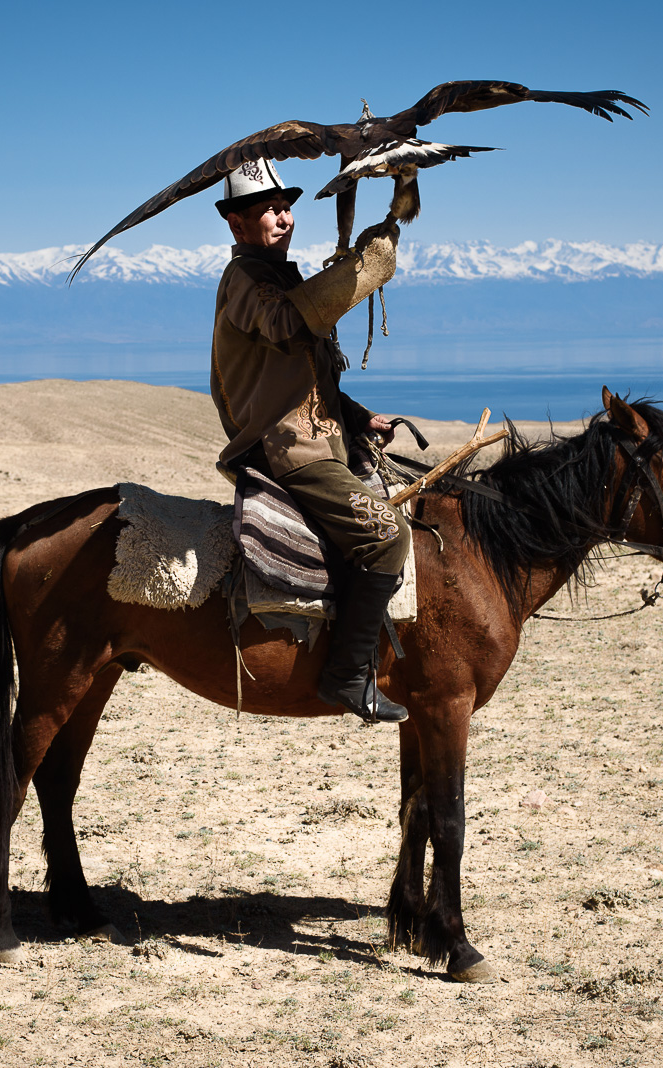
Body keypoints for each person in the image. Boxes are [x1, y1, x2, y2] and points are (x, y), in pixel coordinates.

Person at [209, 157, 410, 724]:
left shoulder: (281, 276)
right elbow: (289, 327)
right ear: (236, 225)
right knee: (387, 536)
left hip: (319, 438)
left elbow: (305, 378)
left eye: (285, 206)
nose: (281, 216)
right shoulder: (246, 281)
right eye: (265, 209)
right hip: (286, 450)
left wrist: (356, 415)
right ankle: (347, 676)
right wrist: (363, 271)